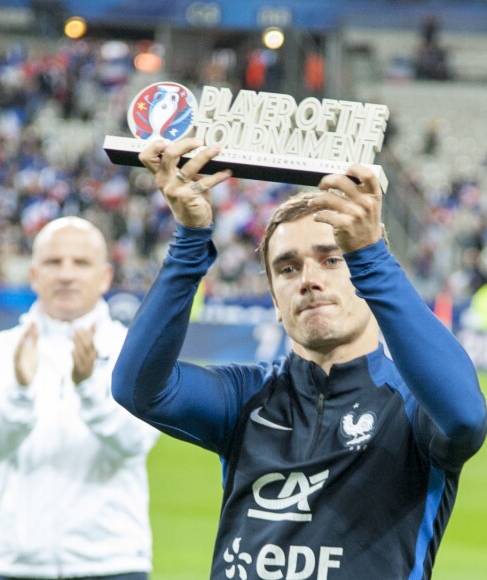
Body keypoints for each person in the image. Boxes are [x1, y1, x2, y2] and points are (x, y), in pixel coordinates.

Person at [112, 138, 487, 579]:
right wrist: (190, 239)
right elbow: (138, 389)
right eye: (288, 268)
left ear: (366, 270)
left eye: (332, 259)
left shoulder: (411, 405)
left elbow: (466, 417)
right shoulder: (247, 396)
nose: (309, 280)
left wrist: (369, 257)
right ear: (274, 298)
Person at [0, 216, 160, 580]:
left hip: (114, 563)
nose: (66, 274)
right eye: (54, 262)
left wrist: (88, 389)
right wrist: (20, 393)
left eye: (81, 263)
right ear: (34, 274)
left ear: (105, 276)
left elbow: (135, 441)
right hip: (15, 565)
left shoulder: (131, 351)